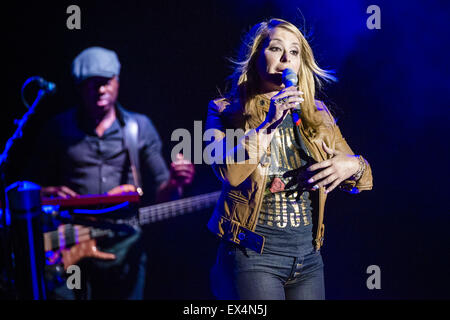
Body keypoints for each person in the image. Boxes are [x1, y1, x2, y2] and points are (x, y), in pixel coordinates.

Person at [206, 18, 373, 300]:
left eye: (294, 52)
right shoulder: (224, 110)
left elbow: (365, 178)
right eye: (276, 48)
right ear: (257, 56)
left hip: (308, 259)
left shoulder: (318, 113)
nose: (286, 58)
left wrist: (353, 165)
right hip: (253, 257)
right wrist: (268, 125)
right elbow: (228, 172)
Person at [30, 46, 194, 299]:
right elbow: (27, 187)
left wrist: (175, 182)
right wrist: (45, 193)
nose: (101, 90)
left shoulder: (139, 127)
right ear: (78, 87)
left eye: (106, 82)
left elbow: (165, 193)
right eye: (92, 84)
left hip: (125, 243)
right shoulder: (58, 128)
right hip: (71, 240)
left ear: (117, 81)